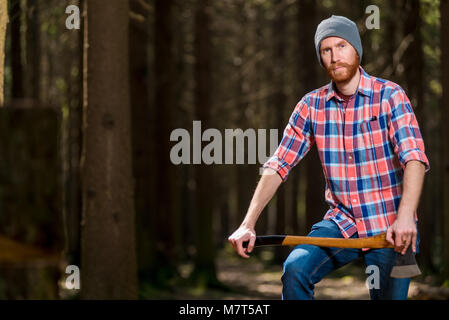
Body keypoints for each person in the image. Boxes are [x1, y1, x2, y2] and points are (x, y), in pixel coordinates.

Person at [228, 15, 430, 300]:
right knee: (295, 268)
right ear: (321, 58)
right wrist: (248, 223)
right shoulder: (311, 106)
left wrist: (407, 216)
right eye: (326, 50)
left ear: (357, 50)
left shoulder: (390, 96)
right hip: (342, 222)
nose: (335, 56)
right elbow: (278, 164)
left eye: (342, 45)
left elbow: (415, 158)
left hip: (393, 228)